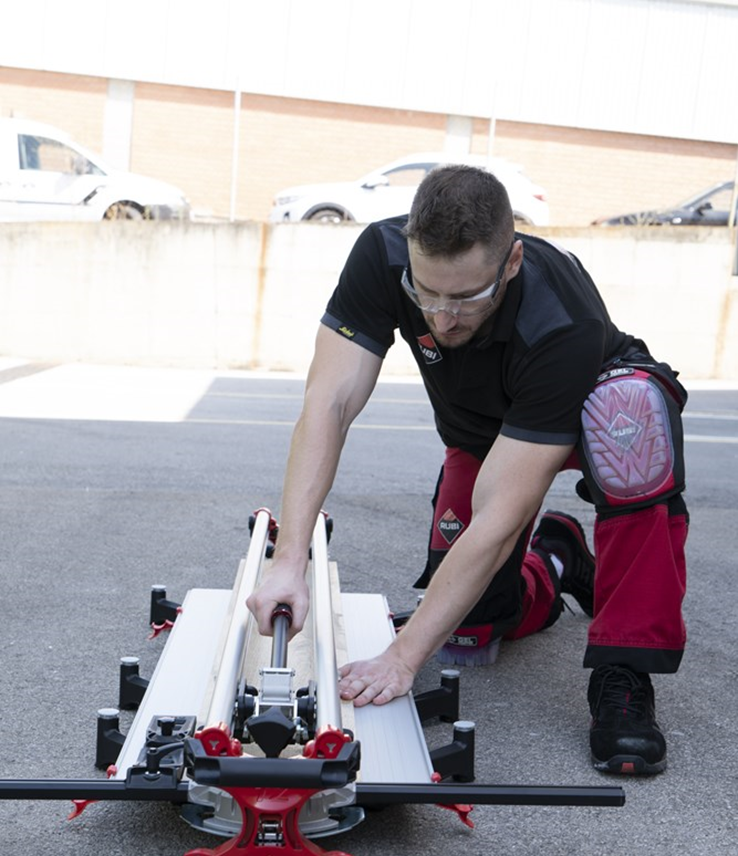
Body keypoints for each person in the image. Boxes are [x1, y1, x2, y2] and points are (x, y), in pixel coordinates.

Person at [247, 165, 688, 776]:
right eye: (426, 294)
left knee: (633, 426)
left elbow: (501, 517)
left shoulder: (561, 318)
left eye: (465, 299)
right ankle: (557, 561)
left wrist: (401, 658)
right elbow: (328, 404)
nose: (442, 318)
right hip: (484, 431)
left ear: (510, 263)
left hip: (593, 411)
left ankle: (625, 672)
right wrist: (288, 559)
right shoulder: (380, 254)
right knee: (469, 631)